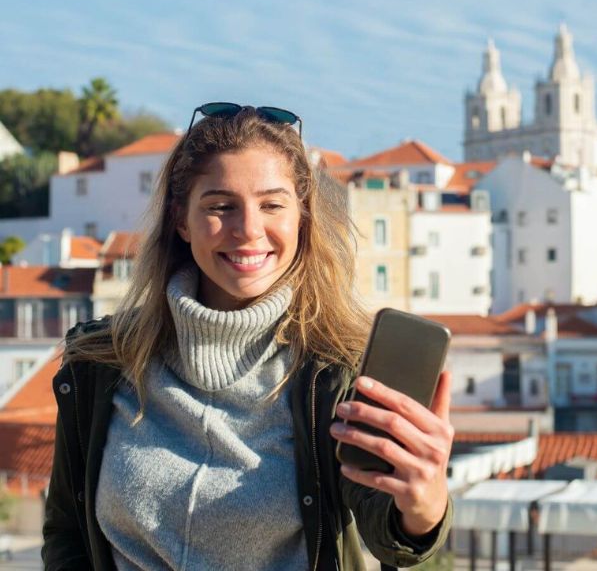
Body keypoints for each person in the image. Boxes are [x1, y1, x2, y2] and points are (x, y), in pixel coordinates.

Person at [42, 103, 453, 570]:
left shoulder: (342, 371)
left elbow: (389, 531)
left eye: (272, 205)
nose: (249, 230)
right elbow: (66, 533)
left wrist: (424, 506)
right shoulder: (99, 363)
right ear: (181, 219)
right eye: (221, 206)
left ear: (302, 218)